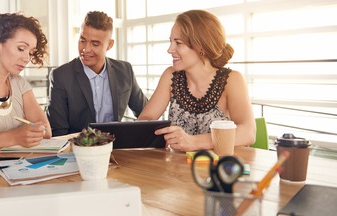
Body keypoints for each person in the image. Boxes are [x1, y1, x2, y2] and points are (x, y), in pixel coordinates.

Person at [137, 9, 256, 152]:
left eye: (178, 43)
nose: (170, 49)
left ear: (201, 47)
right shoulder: (170, 76)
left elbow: (248, 132)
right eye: (171, 42)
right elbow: (146, 118)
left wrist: (194, 142)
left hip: (218, 169)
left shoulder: (232, 80)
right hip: (178, 170)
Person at [47, 11, 148, 136]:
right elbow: (58, 131)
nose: (86, 49)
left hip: (115, 148)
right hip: (77, 150)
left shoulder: (124, 71)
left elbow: (146, 113)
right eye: (82, 40)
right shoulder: (61, 76)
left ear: (109, 45)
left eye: (95, 44)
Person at [0, 12, 52, 149]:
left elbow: (46, 131)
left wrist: (37, 131)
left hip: (18, 166)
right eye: (21, 48)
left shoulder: (20, 84)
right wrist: (15, 137)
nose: (27, 58)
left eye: (31, 52)